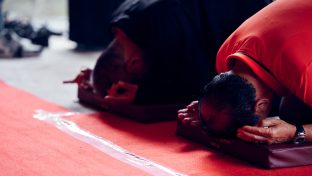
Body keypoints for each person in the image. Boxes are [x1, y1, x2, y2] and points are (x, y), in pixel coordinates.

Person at [178, 0, 312, 145]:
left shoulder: (305, 75)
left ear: (261, 105)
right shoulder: (227, 55)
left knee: (296, 118)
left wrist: (297, 132)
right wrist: (211, 110)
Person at [89, 0, 270, 105]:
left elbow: (199, 85)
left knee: (233, 102)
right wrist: (96, 76)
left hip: (259, 17)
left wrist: (144, 93)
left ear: (134, 64)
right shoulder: (120, 16)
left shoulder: (163, 31)